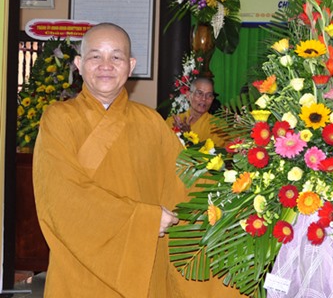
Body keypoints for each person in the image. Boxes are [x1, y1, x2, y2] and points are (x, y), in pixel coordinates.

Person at [33, 23, 242, 297]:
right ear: (79, 64)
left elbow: (186, 182)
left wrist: (238, 202)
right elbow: (62, 197)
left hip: (143, 267)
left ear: (130, 66)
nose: (106, 65)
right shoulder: (58, 119)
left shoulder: (150, 122)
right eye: (95, 56)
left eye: (116, 57)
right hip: (79, 269)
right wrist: (144, 221)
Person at [166, 77, 227, 147]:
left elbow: (218, 151)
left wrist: (188, 135)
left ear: (212, 99)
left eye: (209, 95)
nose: (204, 99)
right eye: (199, 93)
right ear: (188, 96)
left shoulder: (219, 125)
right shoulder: (172, 122)